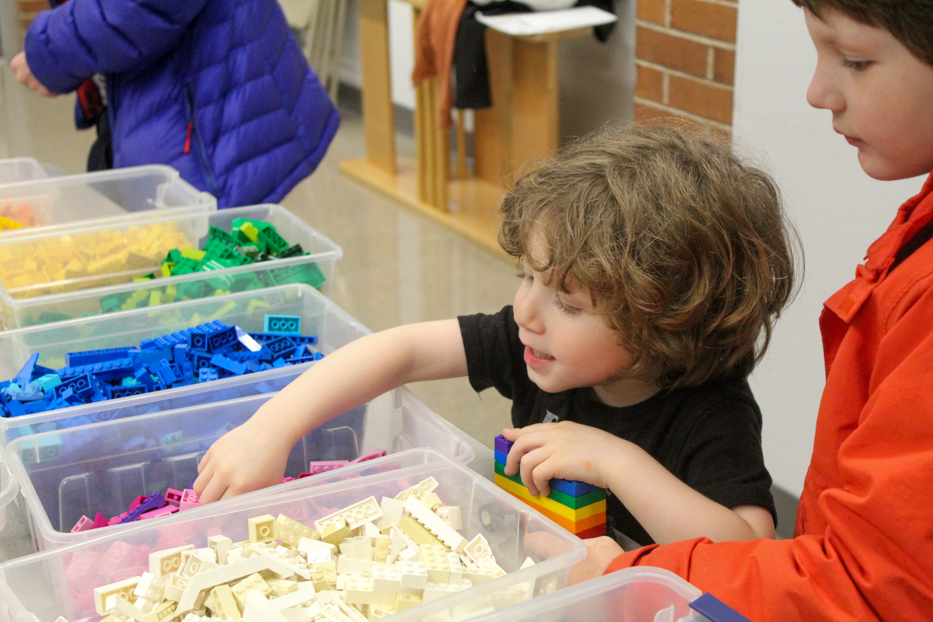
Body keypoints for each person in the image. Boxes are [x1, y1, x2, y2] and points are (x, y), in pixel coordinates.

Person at [193, 125, 799, 549]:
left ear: (664, 318)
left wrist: (617, 462)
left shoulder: (712, 413)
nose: (526, 310)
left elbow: (748, 549)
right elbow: (400, 350)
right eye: (526, 275)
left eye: (568, 300)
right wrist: (270, 429)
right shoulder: (534, 343)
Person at [567, 2, 933, 620]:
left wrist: (626, 572)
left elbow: (871, 585)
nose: (819, 93)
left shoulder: (713, 419)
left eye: (856, 60)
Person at [8, 0, 339, 208]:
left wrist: (51, 52)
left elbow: (142, 7)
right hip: (174, 96)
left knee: (205, 274)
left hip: (206, 115)